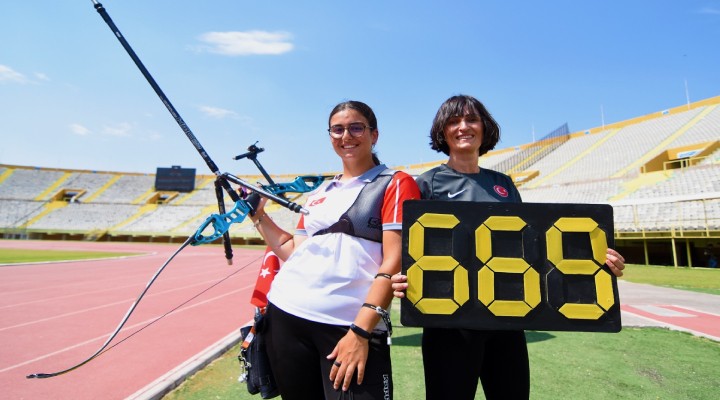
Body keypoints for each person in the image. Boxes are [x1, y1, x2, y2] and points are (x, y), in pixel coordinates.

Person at [391, 94, 626, 400]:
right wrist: (401, 276)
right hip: (448, 323)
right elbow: (405, 250)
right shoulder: (426, 183)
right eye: (453, 121)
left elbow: (534, 251)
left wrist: (600, 262)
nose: (463, 127)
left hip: (508, 318)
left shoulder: (504, 184)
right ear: (442, 131)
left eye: (471, 119)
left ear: (484, 127)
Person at [248, 100, 421, 400]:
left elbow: (393, 261)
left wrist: (361, 331)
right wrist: (258, 216)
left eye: (356, 128)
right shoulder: (318, 194)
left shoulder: (395, 182)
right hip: (287, 314)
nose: (346, 136)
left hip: (348, 324)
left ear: (374, 135)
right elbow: (292, 251)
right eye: (337, 130)